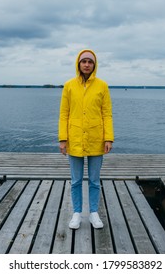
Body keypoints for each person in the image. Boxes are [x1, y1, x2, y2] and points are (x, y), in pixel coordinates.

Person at [58, 49, 114, 229]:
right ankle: (76, 213)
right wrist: (63, 139)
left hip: (96, 138)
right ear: (78, 64)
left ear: (94, 65)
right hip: (74, 138)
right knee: (75, 180)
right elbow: (63, 114)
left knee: (94, 180)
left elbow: (107, 114)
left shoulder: (102, 86)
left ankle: (93, 213)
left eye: (90, 61)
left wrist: (108, 138)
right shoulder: (69, 85)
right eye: (84, 61)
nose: (87, 64)